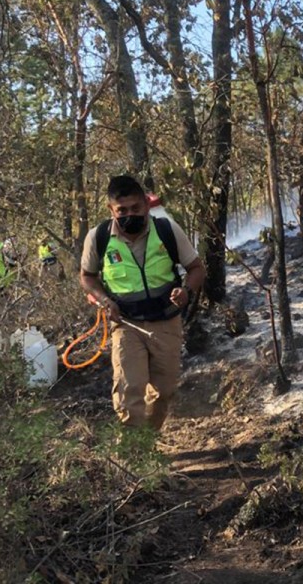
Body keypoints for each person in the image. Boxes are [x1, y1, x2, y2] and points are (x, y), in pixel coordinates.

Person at [80, 175, 205, 431]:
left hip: (166, 321)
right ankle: (132, 454)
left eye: (135, 208)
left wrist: (185, 291)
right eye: (122, 210)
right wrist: (104, 301)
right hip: (126, 324)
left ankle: (148, 439)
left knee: (164, 390)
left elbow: (196, 268)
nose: (130, 215)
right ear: (110, 210)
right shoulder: (99, 237)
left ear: (146, 205)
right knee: (129, 388)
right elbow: (87, 277)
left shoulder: (167, 230)